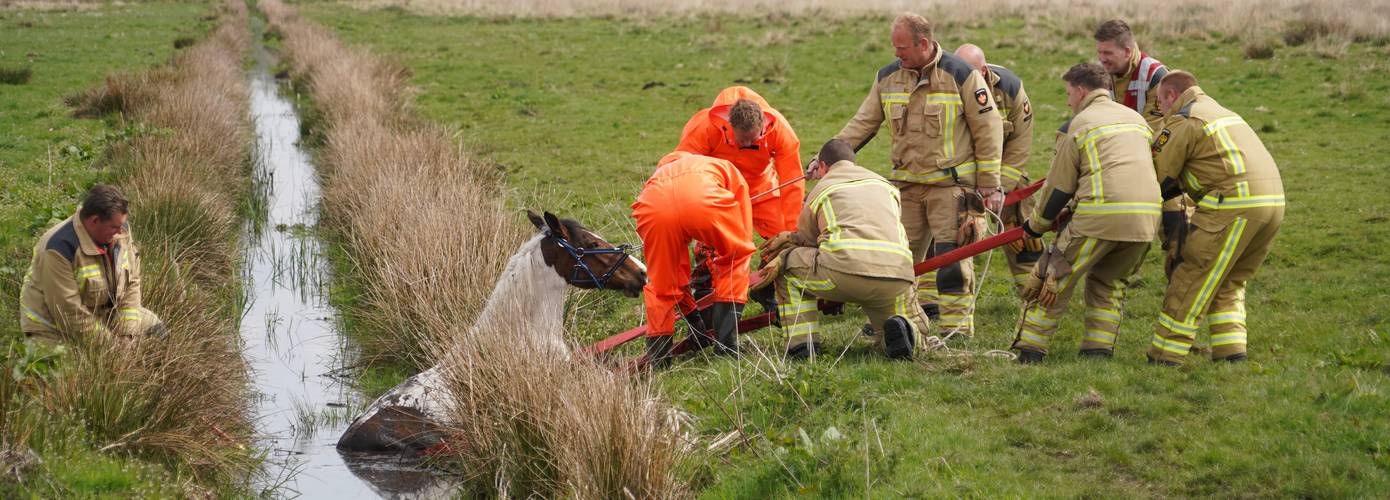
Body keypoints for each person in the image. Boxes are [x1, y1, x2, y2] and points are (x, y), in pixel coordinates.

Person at [833, 13, 1004, 339]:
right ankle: (905, 329)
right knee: (896, 263)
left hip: (949, 189)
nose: (897, 54)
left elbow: (988, 128)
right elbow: (863, 122)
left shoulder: (960, 75)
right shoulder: (887, 77)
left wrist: (990, 183)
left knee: (951, 263)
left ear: (923, 44)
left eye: (902, 47)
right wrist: (828, 155)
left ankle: (956, 332)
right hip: (906, 188)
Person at [1011, 63, 1161, 363]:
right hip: (1145, 221)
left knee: (1052, 277)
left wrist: (1035, 227)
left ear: (1081, 91)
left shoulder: (1080, 124)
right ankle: (1097, 352)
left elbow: (1058, 186)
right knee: (1110, 283)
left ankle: (1029, 350)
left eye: (1068, 93)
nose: (1068, 101)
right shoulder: (1138, 121)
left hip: (1100, 216)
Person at [1146, 70, 1285, 365]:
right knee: (1229, 282)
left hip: (1233, 204)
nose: (1161, 110)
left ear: (1172, 95)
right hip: (1272, 203)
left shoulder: (1184, 119)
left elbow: (1159, 173)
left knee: (1190, 275)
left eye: (1161, 103)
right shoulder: (1222, 111)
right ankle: (1231, 353)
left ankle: (1164, 355)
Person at [755, 139, 933, 360]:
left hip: (844, 273)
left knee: (788, 265)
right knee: (888, 331)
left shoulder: (822, 188)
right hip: (897, 276)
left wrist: (784, 249)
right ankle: (906, 334)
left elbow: (808, 241)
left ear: (822, 166)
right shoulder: (886, 186)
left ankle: (802, 347)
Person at [673, 86, 802, 316]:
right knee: (713, 241)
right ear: (729, 126)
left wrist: (793, 231)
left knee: (782, 236)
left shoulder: (780, 130)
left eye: (752, 140)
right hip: (719, 190)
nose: (745, 146)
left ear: (764, 126)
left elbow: (792, 183)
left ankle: (766, 287)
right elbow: (683, 168)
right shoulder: (704, 127)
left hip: (760, 188)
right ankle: (704, 292)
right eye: (741, 141)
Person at [632, 152, 755, 365]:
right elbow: (742, 233)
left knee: (662, 284)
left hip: (654, 208)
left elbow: (676, 272)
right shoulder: (719, 164)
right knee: (735, 259)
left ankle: (659, 359)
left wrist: (693, 318)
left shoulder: (658, 176)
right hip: (703, 200)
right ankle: (726, 347)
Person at [1095, 18, 1190, 278]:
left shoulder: (1155, 75)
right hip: (1124, 158)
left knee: (1175, 227)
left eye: (1108, 53)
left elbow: (1154, 130)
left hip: (1161, 160)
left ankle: (1181, 278)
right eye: (1099, 52)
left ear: (1127, 51)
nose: (1102, 59)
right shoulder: (1102, 74)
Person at [20, 184, 165, 344]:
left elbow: (132, 282)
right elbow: (68, 313)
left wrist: (127, 333)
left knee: (157, 331)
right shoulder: (58, 248)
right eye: (115, 227)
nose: (121, 232)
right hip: (55, 327)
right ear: (95, 220)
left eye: (123, 225)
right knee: (74, 367)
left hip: (102, 314)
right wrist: (112, 346)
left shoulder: (120, 230)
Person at [955, 43, 1042, 291]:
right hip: (961, 170)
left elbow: (1020, 143)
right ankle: (939, 300)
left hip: (1003, 168)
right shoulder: (947, 84)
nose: (964, 80)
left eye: (970, 74)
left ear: (983, 72)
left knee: (1021, 228)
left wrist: (998, 187)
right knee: (952, 231)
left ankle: (1031, 290)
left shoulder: (1011, 88)